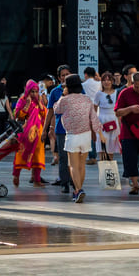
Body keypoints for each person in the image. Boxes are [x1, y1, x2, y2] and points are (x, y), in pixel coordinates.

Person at [53, 75, 102, 203]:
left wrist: (63, 95)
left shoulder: (65, 100)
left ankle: (78, 190)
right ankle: (79, 189)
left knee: (72, 165)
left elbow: (56, 109)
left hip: (72, 135)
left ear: (68, 87)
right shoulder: (87, 99)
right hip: (85, 135)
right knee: (81, 165)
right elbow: (94, 118)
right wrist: (99, 133)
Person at [13, 79, 48, 187]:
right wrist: (27, 104)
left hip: (38, 132)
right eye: (32, 91)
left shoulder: (39, 101)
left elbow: (44, 114)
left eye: (36, 91)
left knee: (38, 155)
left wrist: (40, 104)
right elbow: (18, 115)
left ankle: (37, 180)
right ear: (27, 91)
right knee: (21, 153)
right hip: (25, 133)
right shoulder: (22, 100)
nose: (34, 94)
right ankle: (16, 175)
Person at [45, 65, 73, 194]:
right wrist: (46, 129)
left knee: (74, 156)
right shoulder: (54, 92)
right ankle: (64, 182)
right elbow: (50, 112)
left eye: (68, 74)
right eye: (63, 75)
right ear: (59, 77)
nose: (65, 77)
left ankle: (75, 180)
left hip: (75, 128)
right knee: (63, 157)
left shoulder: (78, 89)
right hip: (61, 129)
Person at [93, 72, 121, 160]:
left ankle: (110, 167)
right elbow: (94, 110)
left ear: (112, 81)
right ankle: (103, 168)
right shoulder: (98, 94)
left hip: (113, 120)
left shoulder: (117, 93)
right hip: (102, 120)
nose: (107, 82)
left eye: (109, 80)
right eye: (104, 80)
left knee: (111, 147)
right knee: (102, 146)